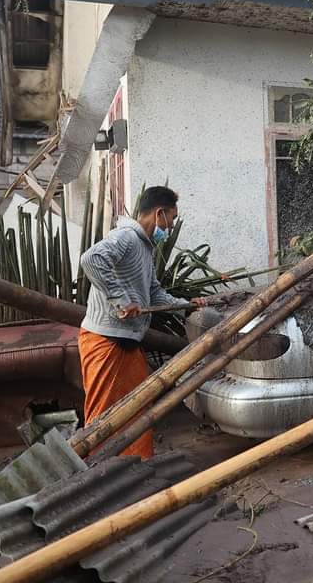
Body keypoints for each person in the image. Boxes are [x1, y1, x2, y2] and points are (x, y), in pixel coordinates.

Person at [78, 185, 205, 458]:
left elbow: (154, 293)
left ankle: (135, 468)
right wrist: (121, 300)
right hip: (104, 341)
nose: (170, 227)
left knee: (136, 409)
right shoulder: (126, 236)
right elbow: (92, 259)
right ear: (159, 214)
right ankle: (94, 476)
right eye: (170, 219)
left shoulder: (144, 248)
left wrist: (186, 305)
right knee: (102, 416)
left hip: (128, 341)